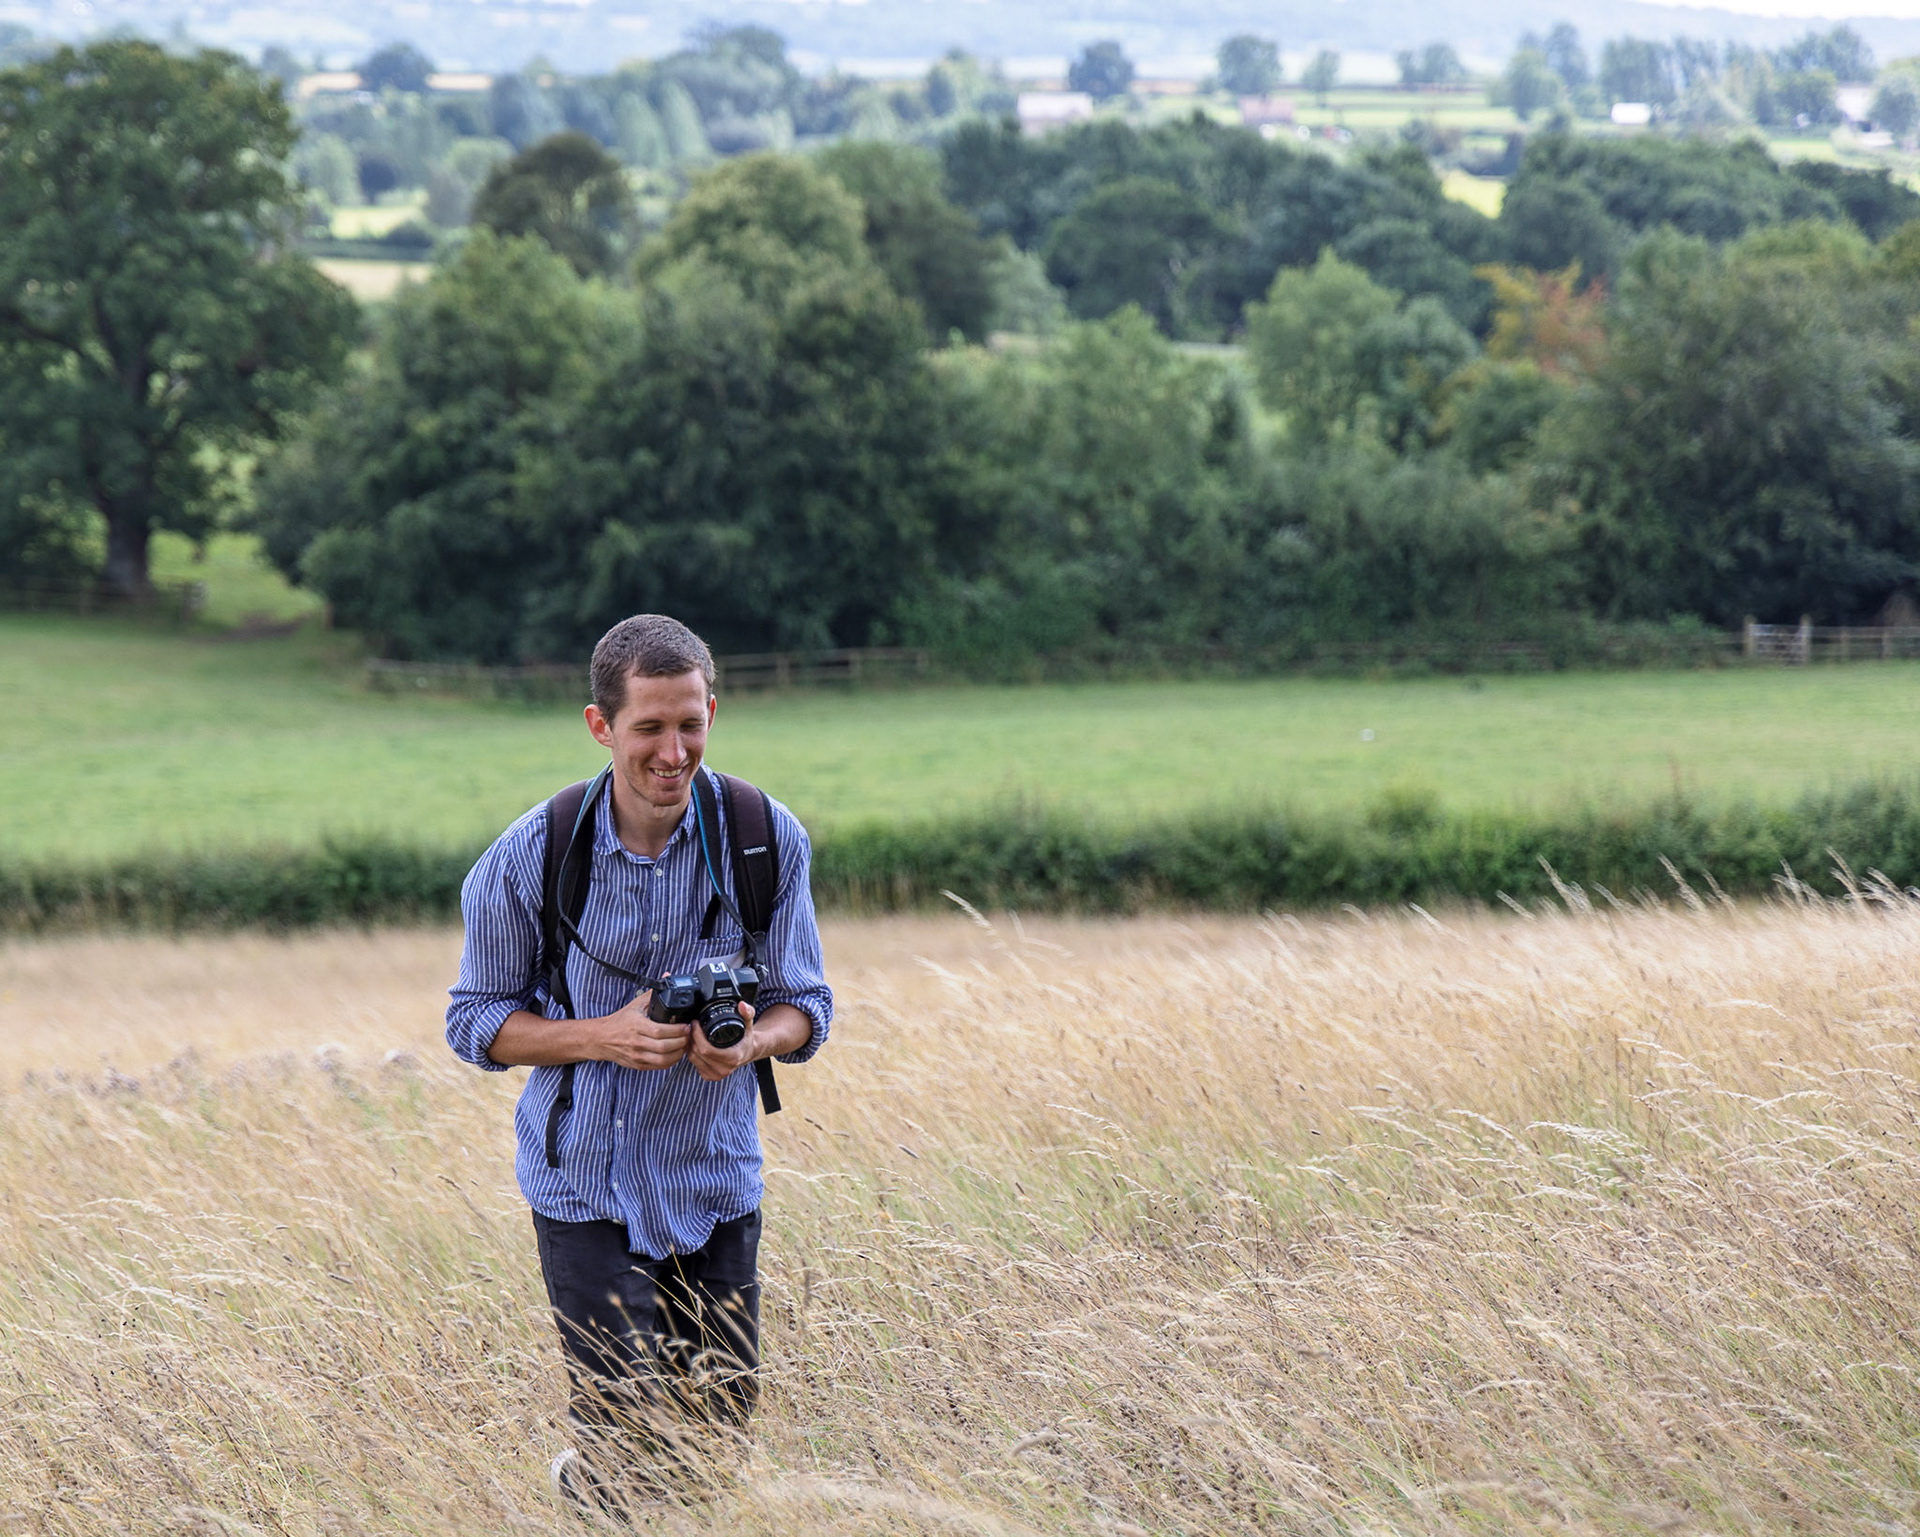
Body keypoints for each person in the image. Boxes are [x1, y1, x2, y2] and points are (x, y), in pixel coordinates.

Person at [445, 614, 832, 1514]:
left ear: (712, 712)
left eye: (690, 724)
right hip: (586, 1183)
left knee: (717, 1432)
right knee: (625, 1429)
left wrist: (746, 1039)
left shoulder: (762, 838)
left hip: (714, 1176)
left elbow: (806, 1009)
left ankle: (592, 1496)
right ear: (600, 725)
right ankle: (599, 1491)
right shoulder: (531, 857)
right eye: (649, 727)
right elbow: (475, 1024)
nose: (673, 750)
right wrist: (602, 1034)